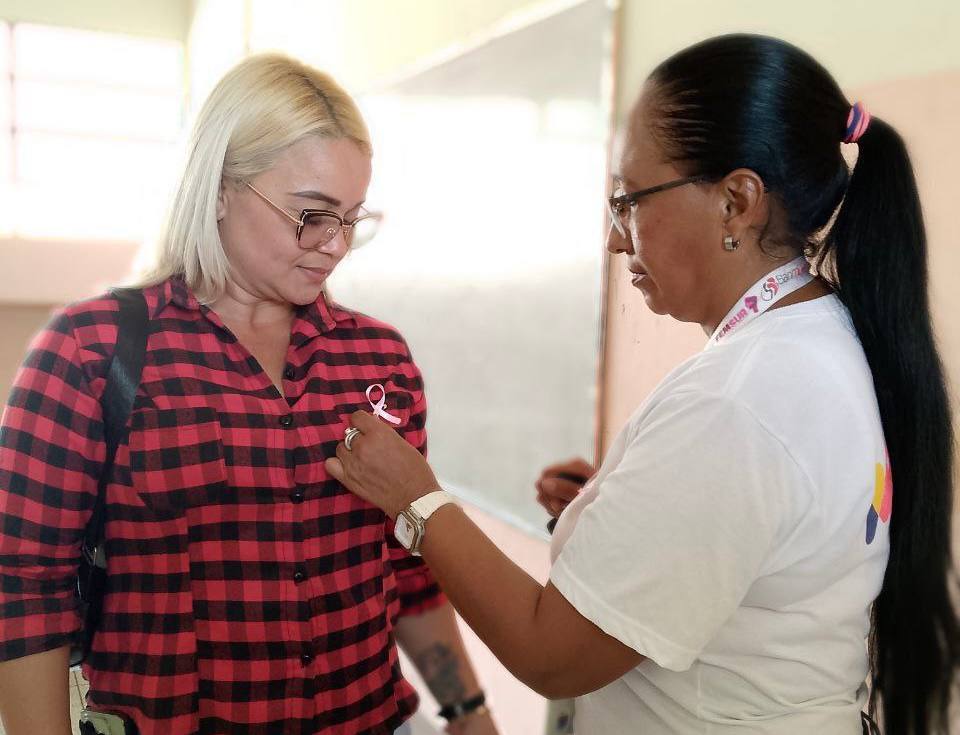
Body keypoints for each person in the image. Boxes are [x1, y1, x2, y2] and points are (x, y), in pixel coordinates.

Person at [325, 34, 959, 734]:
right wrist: (628, 507)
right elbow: (755, 527)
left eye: (628, 200)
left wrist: (416, 498)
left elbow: (551, 653)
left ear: (736, 203)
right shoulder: (820, 336)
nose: (615, 239)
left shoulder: (741, 401)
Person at [0, 54, 498, 735]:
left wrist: (467, 707)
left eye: (353, 218)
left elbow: (407, 567)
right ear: (221, 188)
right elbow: (24, 584)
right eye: (311, 215)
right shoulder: (92, 352)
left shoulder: (379, 361)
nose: (335, 245)